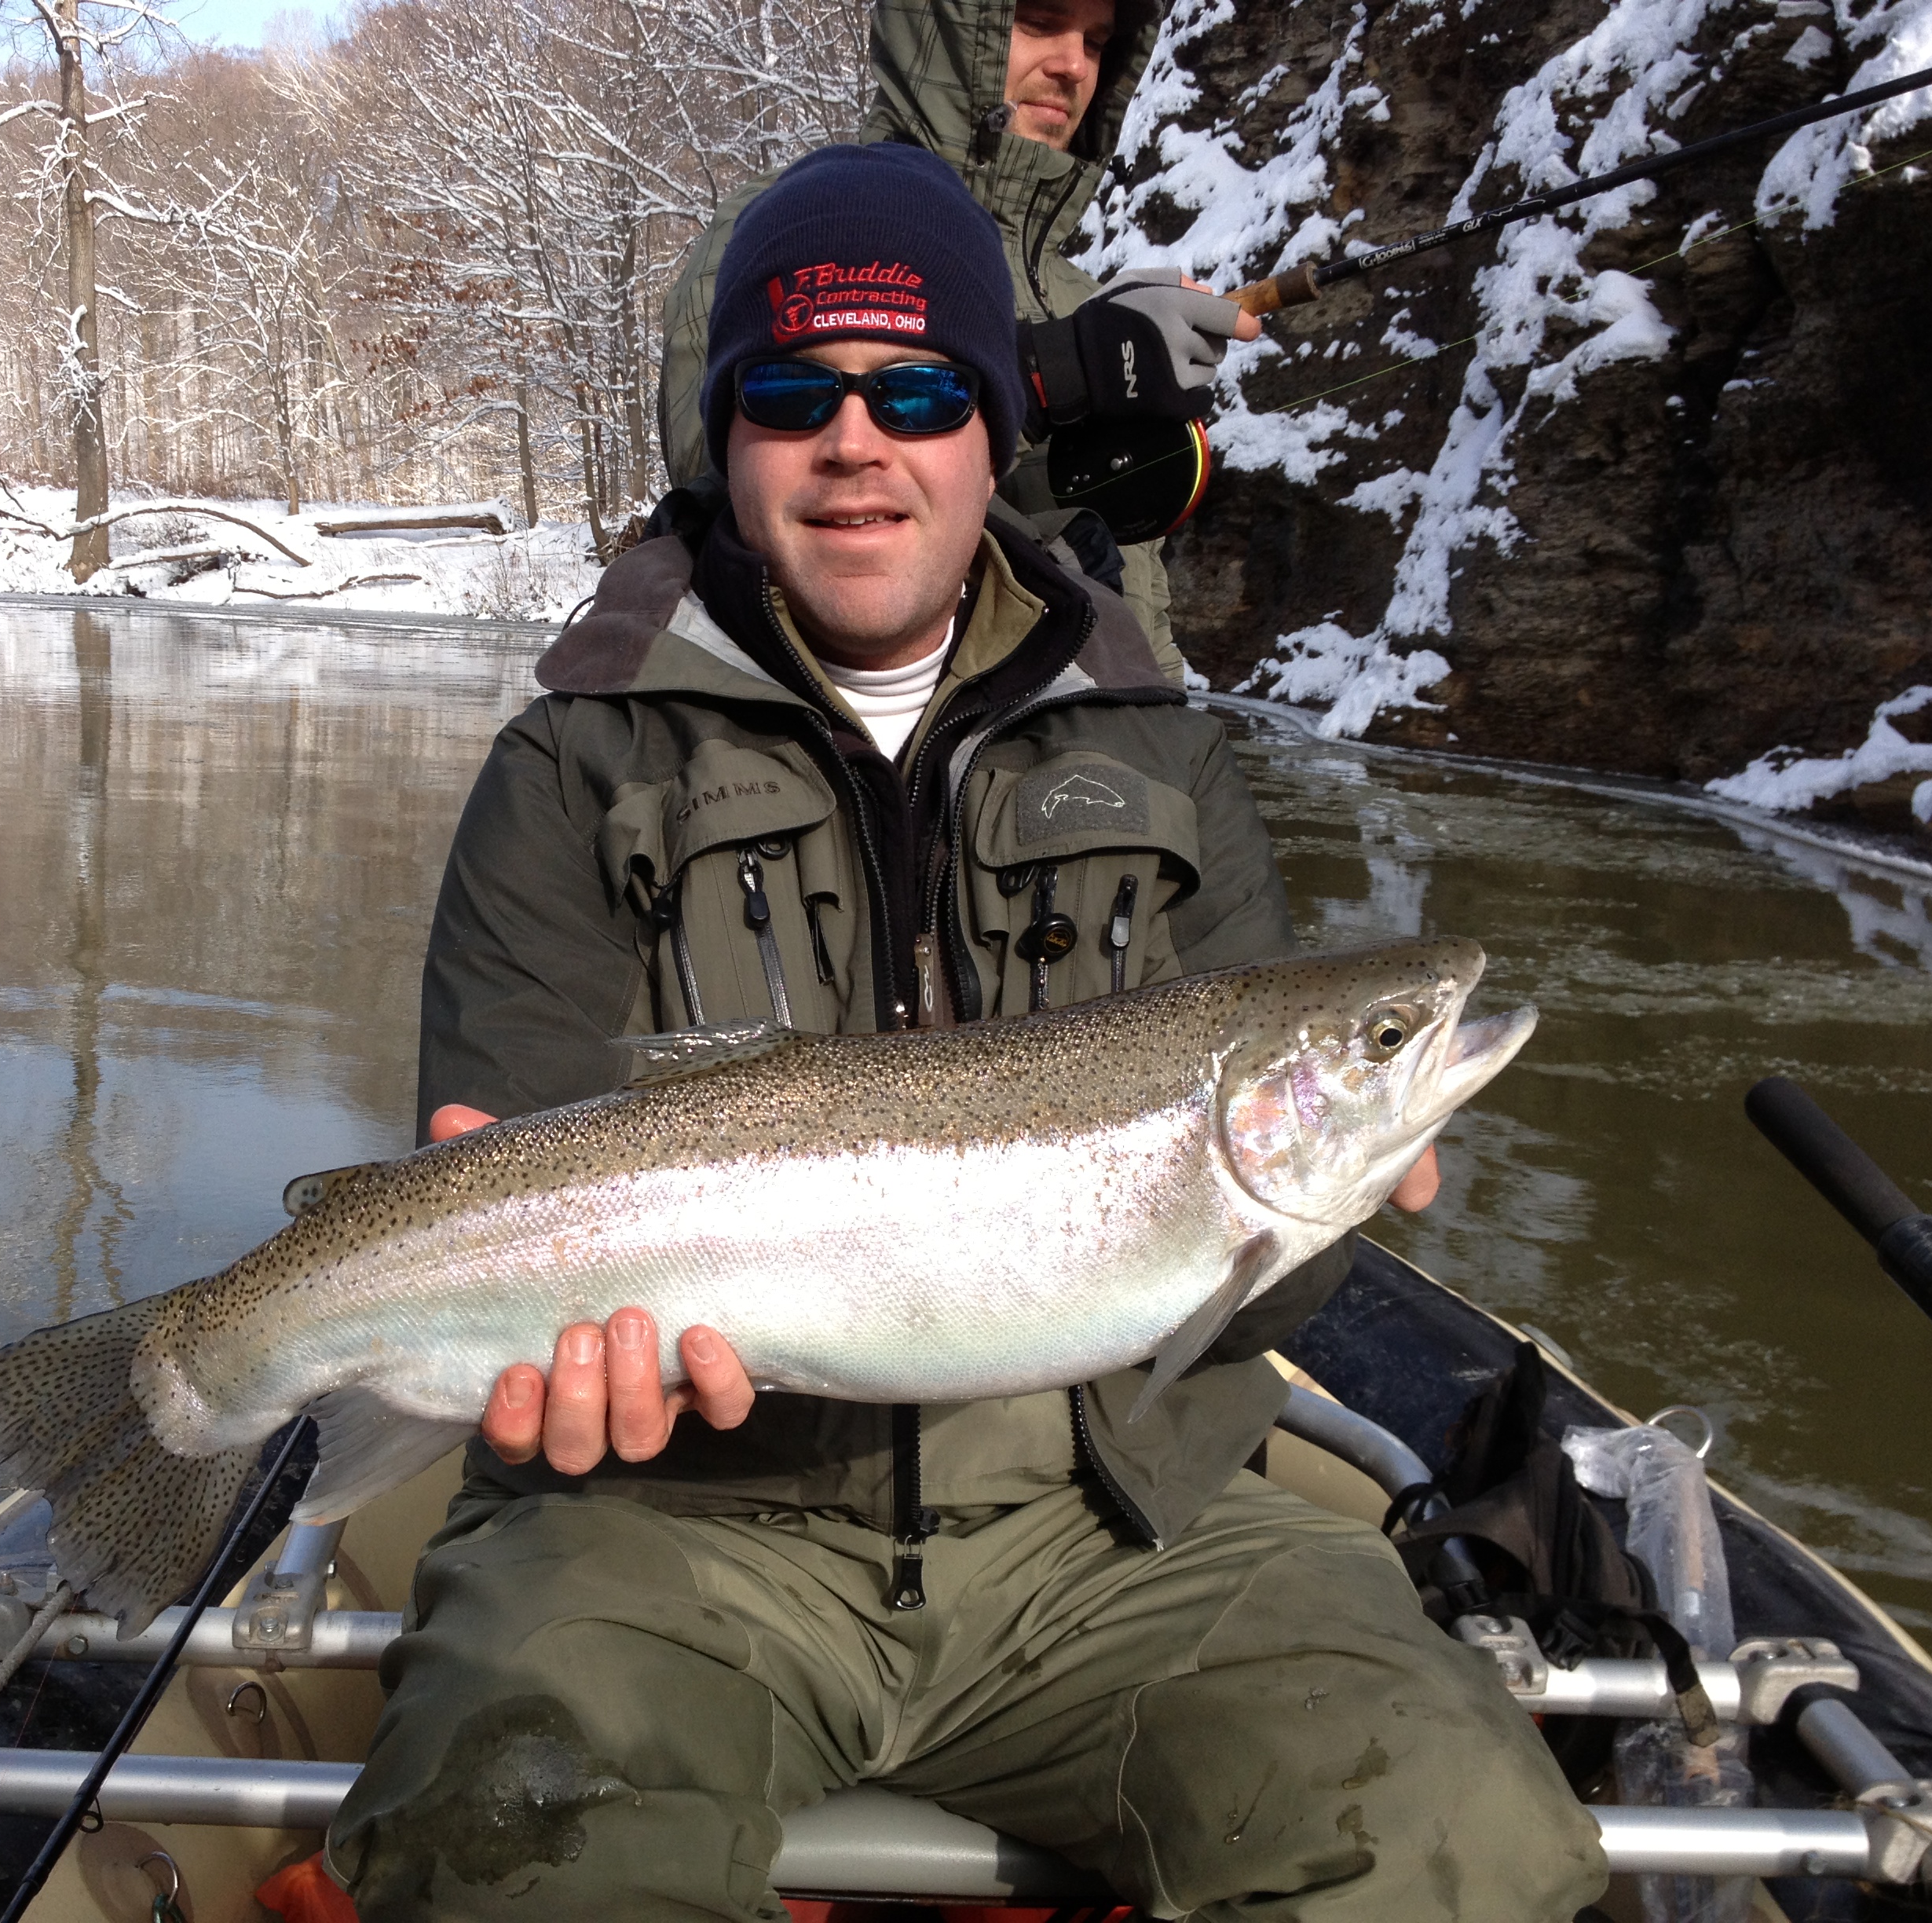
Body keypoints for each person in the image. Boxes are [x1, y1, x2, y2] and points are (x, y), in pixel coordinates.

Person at [324, 144, 1605, 1920]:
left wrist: (1324, 1215)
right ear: (732, 437)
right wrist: (551, 1393)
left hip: (1115, 1530)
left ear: (992, 429)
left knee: (1458, 1828)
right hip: (666, 1534)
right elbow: (500, 1157)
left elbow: (1237, 1306)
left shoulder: (1166, 757)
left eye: (919, 388)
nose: (858, 440)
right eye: (794, 393)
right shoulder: (574, 760)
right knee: (518, 1844)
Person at [657, 0, 1262, 668]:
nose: (1072, 66)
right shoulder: (791, 229)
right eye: (1037, 23)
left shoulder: (1081, 296)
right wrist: (1045, 377)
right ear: (944, 30)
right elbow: (720, 481)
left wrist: (1166, 719)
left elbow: (1141, 600)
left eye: (1096, 43)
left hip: (1105, 736)